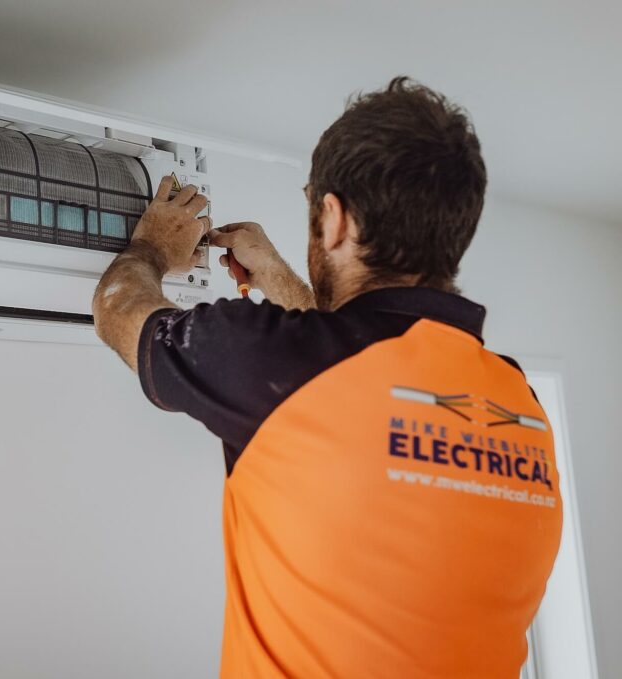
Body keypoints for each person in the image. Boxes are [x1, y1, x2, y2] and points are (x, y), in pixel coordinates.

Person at [92, 77, 563, 678]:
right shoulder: (519, 402)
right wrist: (282, 279)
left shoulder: (271, 359)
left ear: (334, 218)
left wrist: (154, 250)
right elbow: (362, 371)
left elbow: (116, 309)